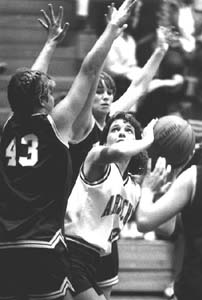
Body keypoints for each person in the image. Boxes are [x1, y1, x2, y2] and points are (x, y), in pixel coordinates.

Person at [0, 1, 136, 298]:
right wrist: (112, 29)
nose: (53, 96)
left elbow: (28, 86)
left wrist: (49, 44)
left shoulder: (10, 125)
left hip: (5, 246)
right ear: (44, 101)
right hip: (43, 244)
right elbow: (88, 71)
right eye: (49, 93)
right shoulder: (54, 125)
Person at [64, 112, 159, 299]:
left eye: (128, 130)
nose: (121, 133)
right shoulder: (96, 158)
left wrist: (171, 176)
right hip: (70, 253)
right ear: (105, 141)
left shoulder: (134, 188)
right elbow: (120, 152)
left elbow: (164, 227)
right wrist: (148, 138)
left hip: (94, 259)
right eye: (115, 129)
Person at [135, 144, 202, 299]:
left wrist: (147, 189)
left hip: (195, 290)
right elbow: (166, 228)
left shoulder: (194, 177)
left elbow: (144, 220)